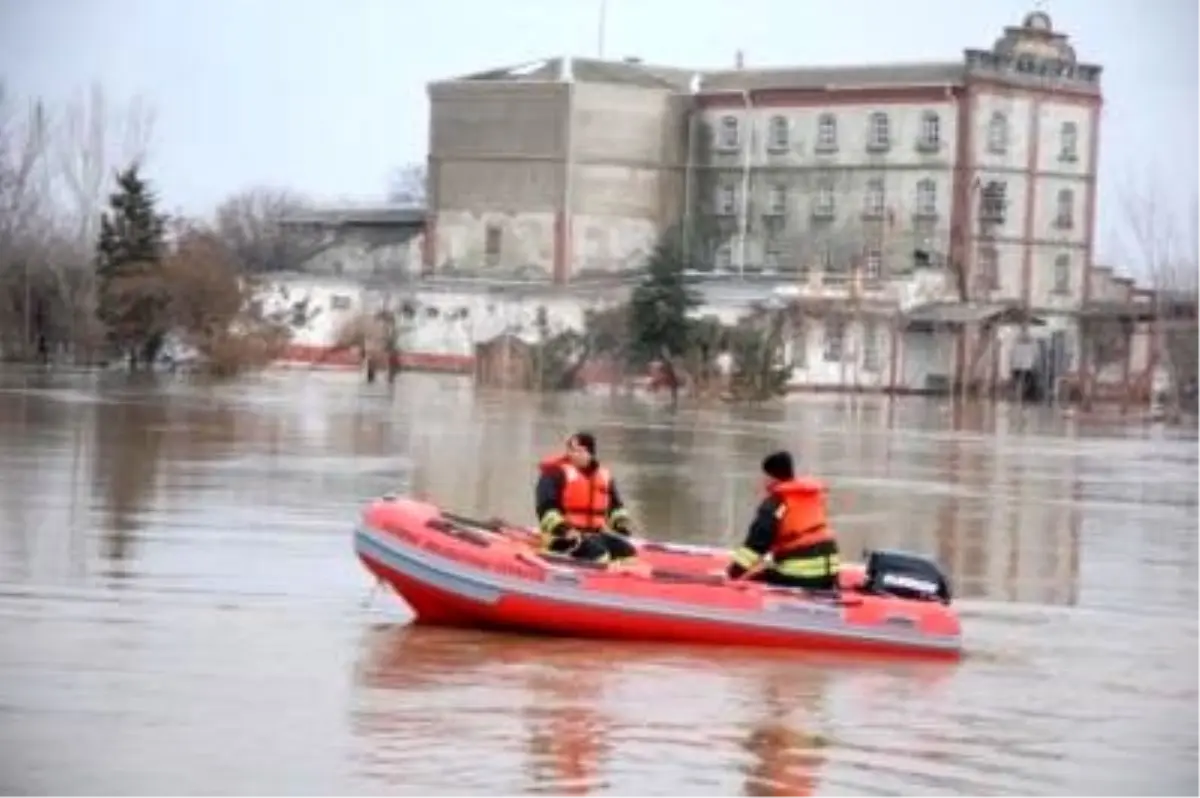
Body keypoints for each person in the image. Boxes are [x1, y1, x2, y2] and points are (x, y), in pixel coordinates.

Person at [725, 450, 840, 590]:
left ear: (771, 477)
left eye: (764, 476)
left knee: (751, 579)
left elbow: (756, 544)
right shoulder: (810, 496)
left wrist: (733, 573)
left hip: (803, 575)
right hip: (830, 573)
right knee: (769, 568)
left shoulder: (775, 503)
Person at [534, 432, 638, 564]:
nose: (573, 454)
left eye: (579, 451)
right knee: (599, 556)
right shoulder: (554, 474)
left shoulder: (604, 476)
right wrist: (564, 530)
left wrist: (621, 523)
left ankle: (620, 581)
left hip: (594, 534)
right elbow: (546, 509)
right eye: (571, 450)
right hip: (561, 536)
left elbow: (615, 506)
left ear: (590, 454)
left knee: (628, 554)